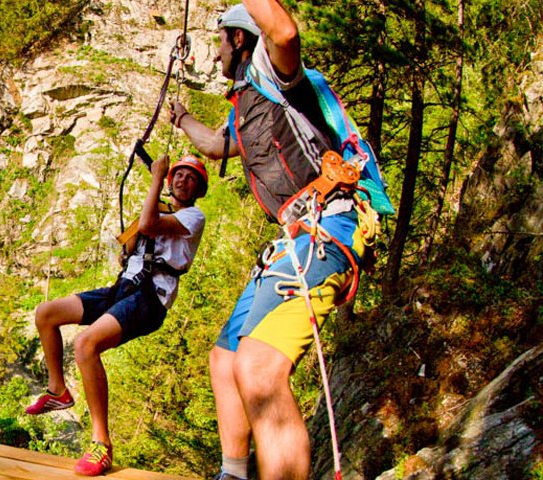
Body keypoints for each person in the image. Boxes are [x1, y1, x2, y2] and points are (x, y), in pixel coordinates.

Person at [168, 1, 376, 478]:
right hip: (296, 238)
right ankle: (235, 473)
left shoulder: (270, 70)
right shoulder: (246, 104)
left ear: (239, 39)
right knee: (226, 360)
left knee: (258, 369)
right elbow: (219, 146)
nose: (216, 53)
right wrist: (181, 121)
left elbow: (282, 31)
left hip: (328, 226)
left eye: (220, 40)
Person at [25, 155, 208, 476]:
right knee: (46, 313)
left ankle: (101, 444)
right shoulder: (158, 209)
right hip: (124, 287)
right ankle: (58, 391)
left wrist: (156, 177)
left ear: (199, 188)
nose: (182, 180)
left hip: (150, 298)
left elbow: (150, 225)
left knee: (85, 345)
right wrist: (128, 245)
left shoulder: (194, 216)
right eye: (177, 174)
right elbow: (132, 241)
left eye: (190, 177)